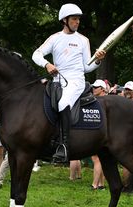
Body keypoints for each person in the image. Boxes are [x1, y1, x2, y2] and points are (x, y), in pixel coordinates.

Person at [32, 3, 106, 163]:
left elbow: (87, 67)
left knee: (64, 103)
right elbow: (36, 54)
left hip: (76, 81)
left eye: (78, 19)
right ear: (64, 20)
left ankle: (64, 146)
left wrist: (98, 61)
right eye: (74, 19)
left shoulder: (83, 40)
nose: (77, 22)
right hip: (57, 81)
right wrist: (47, 64)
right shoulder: (55, 38)